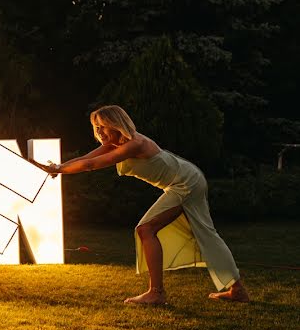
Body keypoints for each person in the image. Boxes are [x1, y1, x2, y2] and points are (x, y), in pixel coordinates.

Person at [33, 105, 250, 305]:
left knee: (146, 229)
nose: (99, 132)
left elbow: (90, 165)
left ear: (117, 124)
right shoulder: (115, 144)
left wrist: (58, 171)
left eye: (103, 127)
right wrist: (58, 167)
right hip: (189, 180)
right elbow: (87, 157)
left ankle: (156, 293)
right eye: (96, 127)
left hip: (186, 183)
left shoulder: (134, 144)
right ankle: (237, 290)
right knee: (205, 235)